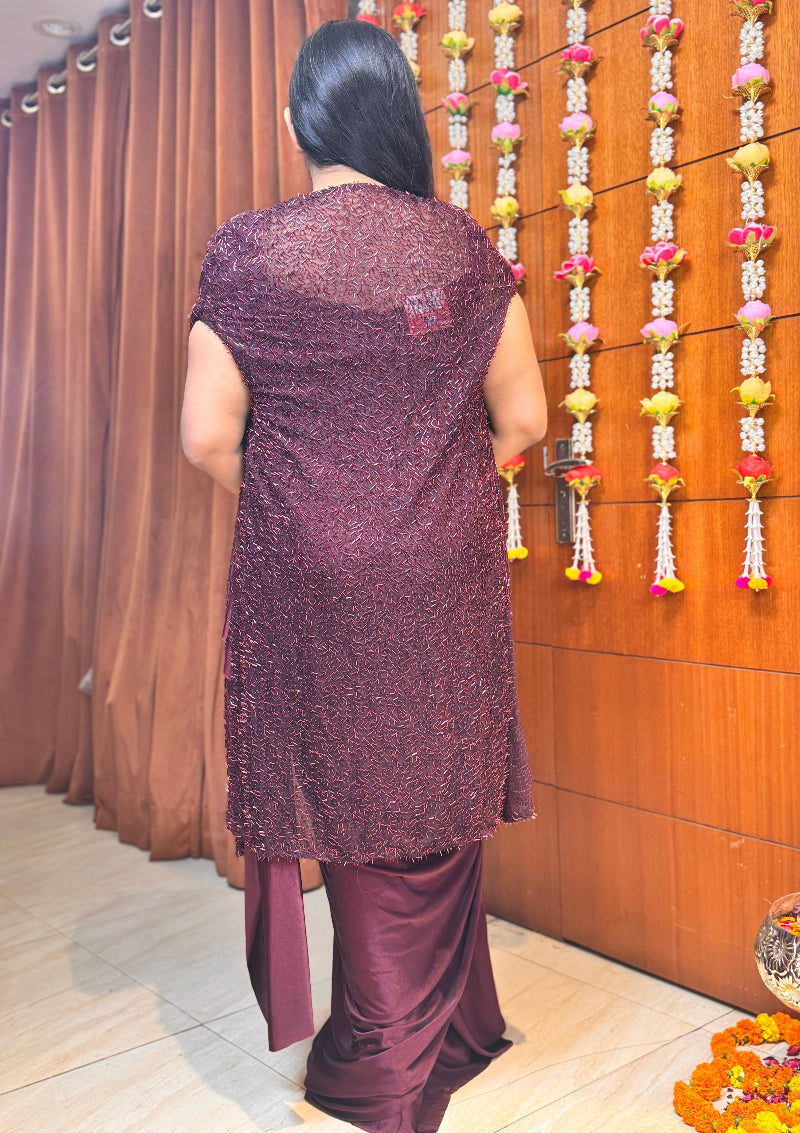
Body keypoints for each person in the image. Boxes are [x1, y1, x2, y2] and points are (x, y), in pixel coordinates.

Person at [180, 18, 546, 1133]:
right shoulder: (463, 251)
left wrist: (309, 509)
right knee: (434, 777)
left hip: (311, 574)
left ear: (300, 122)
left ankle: (379, 1065)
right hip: (442, 567)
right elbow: (523, 418)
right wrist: (425, 496)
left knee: (349, 786)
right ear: (399, 118)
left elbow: (206, 435)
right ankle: (456, 1026)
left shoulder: (248, 254)